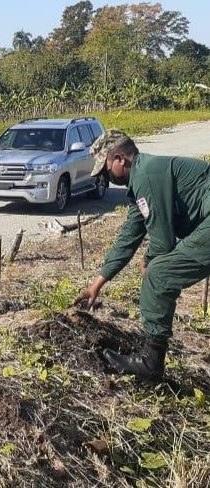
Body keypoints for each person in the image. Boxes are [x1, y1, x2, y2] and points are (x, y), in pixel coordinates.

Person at [75, 128, 210, 381]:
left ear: (120, 159)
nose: (105, 175)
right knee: (158, 270)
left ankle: (151, 362)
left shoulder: (147, 175)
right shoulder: (141, 182)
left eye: (105, 168)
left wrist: (150, 265)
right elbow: (128, 238)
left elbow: (162, 242)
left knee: (159, 274)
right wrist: (96, 285)